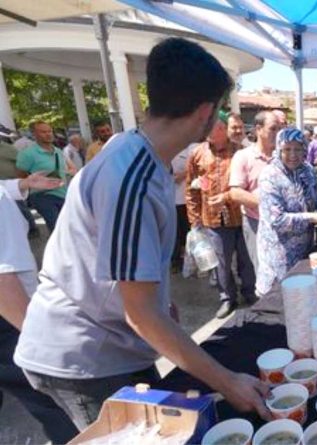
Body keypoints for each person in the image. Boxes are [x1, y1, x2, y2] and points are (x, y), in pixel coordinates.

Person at [14, 38, 271, 432]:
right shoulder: (130, 176)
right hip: (84, 359)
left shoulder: (135, 154)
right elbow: (140, 313)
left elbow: (131, 285)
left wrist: (156, 303)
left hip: (110, 346)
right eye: (219, 110)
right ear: (205, 112)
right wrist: (228, 382)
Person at [0, 174, 78, 443]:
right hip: (10, 319)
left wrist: (22, 185)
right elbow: (2, 279)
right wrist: (40, 341)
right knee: (56, 405)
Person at [186, 113, 257, 319]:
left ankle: (249, 292)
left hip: (242, 214)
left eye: (211, 127)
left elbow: (251, 184)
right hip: (213, 219)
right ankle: (227, 298)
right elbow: (191, 189)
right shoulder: (197, 154)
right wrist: (194, 220)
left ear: (223, 129)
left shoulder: (241, 152)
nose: (206, 131)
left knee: (247, 259)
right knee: (221, 262)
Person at [256, 128, 317, 296]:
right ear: (278, 149)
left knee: (304, 301)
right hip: (279, 258)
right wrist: (312, 217)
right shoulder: (270, 176)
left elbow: (312, 199)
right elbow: (278, 220)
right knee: (280, 304)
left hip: (305, 253)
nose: (293, 154)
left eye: (298, 149)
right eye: (287, 149)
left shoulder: (307, 170)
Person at [227, 110, 281, 289]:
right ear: (258, 129)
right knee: (264, 274)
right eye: (273, 129)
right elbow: (235, 192)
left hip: (284, 223)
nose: (277, 134)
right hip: (256, 223)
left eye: (280, 129)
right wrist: (268, 205)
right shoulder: (243, 157)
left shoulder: (284, 156)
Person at [15, 121, 69, 232]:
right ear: (34, 134)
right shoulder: (27, 154)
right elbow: (20, 175)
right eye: (43, 132)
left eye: (49, 131)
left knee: (67, 228)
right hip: (42, 196)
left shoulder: (58, 151)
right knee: (56, 229)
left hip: (62, 193)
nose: (48, 134)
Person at [170, 143, 195, 272]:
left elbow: (196, 166)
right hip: (169, 200)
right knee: (174, 233)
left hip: (186, 199)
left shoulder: (191, 147)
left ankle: (190, 261)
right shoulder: (164, 147)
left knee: (188, 231)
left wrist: (183, 174)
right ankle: (175, 262)